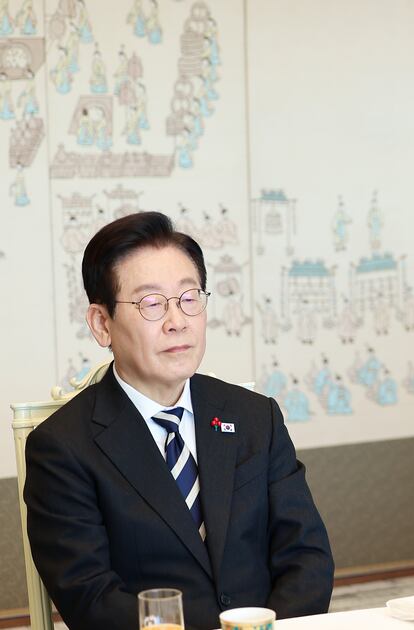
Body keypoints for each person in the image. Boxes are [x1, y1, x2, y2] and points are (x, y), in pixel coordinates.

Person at [24, 212, 334, 630]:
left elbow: (307, 557)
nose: (178, 322)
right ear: (102, 324)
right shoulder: (62, 446)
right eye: (152, 304)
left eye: (189, 298)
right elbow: (90, 599)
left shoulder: (255, 416)